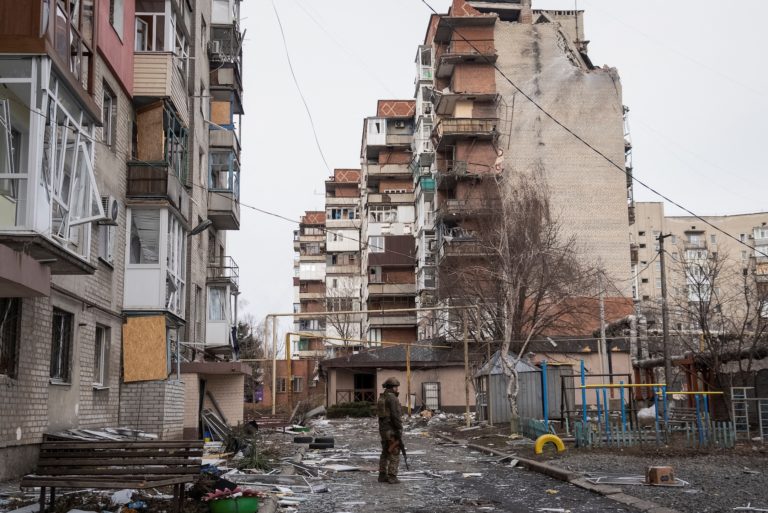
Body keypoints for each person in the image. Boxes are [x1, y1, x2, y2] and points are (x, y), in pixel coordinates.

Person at [376, 377, 403, 484]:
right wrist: (399, 428)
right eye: (396, 387)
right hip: (391, 430)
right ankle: (392, 476)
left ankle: (382, 475)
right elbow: (395, 416)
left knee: (385, 452)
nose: (397, 389)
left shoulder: (382, 397)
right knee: (394, 452)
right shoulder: (392, 398)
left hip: (383, 429)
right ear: (393, 387)